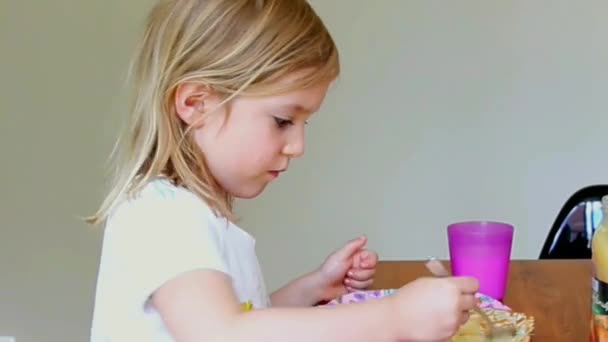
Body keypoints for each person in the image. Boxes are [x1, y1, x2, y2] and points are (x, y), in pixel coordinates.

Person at [88, 0, 479, 341]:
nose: (297, 146)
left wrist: (311, 289)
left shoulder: (196, 215)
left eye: (304, 124)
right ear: (196, 103)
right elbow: (223, 335)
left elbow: (244, 320)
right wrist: (393, 318)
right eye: (282, 120)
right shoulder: (161, 217)